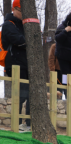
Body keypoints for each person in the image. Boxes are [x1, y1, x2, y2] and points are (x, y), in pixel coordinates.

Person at [2, 0, 30, 131]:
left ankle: (28, 124)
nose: (24, 13)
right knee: (21, 94)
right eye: (21, 10)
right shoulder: (8, 24)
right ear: (15, 9)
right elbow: (18, 40)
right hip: (15, 64)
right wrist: (29, 41)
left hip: (27, 64)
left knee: (31, 93)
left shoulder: (24, 25)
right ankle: (17, 124)